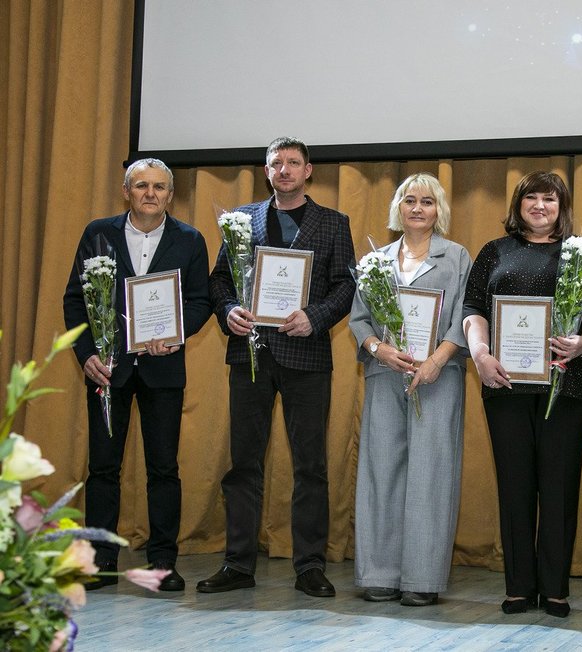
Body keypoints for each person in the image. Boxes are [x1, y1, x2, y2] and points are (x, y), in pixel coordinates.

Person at [197, 137, 355, 597]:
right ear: (266, 171)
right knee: (243, 464)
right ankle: (237, 564)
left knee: (311, 466)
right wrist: (228, 310)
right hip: (250, 354)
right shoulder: (241, 219)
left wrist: (316, 317)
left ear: (308, 171)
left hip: (307, 357)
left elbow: (346, 286)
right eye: (276, 163)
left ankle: (310, 567)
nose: (284, 170)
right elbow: (220, 280)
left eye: (293, 162)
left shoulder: (333, 223)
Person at [463, 171, 582, 618]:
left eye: (550, 198)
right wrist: (480, 355)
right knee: (515, 486)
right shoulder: (494, 251)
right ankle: (519, 587)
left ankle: (555, 588)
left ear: (561, 206)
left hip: (568, 385)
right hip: (505, 384)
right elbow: (473, 308)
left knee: (559, 486)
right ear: (518, 204)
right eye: (531, 198)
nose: (540, 206)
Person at [63, 158, 211, 591]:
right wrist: (86, 355)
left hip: (163, 370)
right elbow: (75, 299)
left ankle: (162, 563)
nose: (150, 193)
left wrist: (177, 335)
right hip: (107, 370)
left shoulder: (190, 239)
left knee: (163, 469)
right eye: (142, 185)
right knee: (103, 469)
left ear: (170, 195)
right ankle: (100, 561)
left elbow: (201, 301)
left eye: (159, 187)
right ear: (126, 191)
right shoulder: (98, 233)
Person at [349, 173, 471, 607]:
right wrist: (378, 349)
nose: (418, 208)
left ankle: (422, 577)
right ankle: (380, 573)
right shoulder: (376, 260)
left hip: (439, 376)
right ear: (397, 208)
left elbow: (465, 316)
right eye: (409, 200)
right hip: (385, 375)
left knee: (431, 474)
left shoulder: (456, 257)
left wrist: (437, 360)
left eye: (427, 201)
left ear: (439, 210)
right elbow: (359, 319)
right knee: (381, 471)